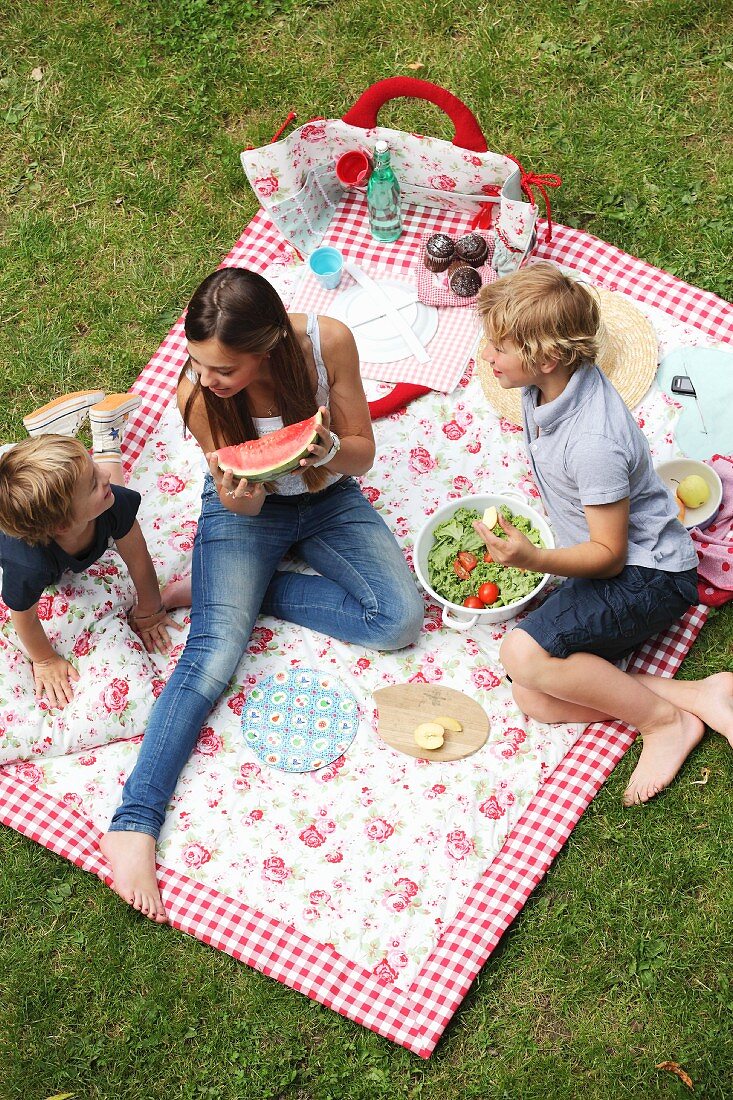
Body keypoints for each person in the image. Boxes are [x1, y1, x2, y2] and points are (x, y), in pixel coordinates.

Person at [101, 266, 424, 922]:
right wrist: (240, 500)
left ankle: (248, 594)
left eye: (223, 370)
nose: (207, 380)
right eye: (198, 364)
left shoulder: (326, 342)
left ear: (270, 343)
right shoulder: (195, 397)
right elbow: (234, 499)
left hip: (329, 497)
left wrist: (326, 449)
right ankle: (132, 823)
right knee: (211, 657)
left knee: (398, 620)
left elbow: (362, 454)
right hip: (246, 516)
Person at [472, 262, 733, 807]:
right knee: (535, 697)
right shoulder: (544, 389)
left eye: (498, 346)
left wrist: (534, 557)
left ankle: (664, 723)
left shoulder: (593, 441)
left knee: (521, 656)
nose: (486, 355)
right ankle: (701, 695)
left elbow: (611, 557)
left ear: (546, 357)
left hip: (650, 578)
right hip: (618, 563)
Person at [0, 391, 184, 709]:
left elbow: (136, 553)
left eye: (92, 466)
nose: (105, 475)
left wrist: (151, 606)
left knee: (106, 489)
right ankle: (97, 433)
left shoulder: (109, 504)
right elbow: (23, 617)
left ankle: (104, 433)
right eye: (92, 484)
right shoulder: (28, 564)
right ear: (62, 526)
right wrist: (43, 660)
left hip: (60, 508)